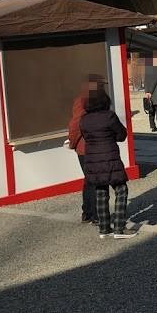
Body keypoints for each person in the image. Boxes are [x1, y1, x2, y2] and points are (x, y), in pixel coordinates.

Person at [79, 88, 138, 239]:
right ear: (105, 101)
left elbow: (85, 137)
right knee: (121, 190)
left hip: (92, 161)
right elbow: (121, 135)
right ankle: (119, 228)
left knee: (101, 192)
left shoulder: (84, 120)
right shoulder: (109, 116)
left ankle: (104, 228)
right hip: (110, 158)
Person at [67, 74, 106, 224]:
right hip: (88, 146)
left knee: (90, 180)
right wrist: (73, 142)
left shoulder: (92, 98)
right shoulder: (84, 100)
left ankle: (88, 213)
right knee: (95, 180)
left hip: (89, 146)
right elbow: (76, 124)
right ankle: (95, 214)